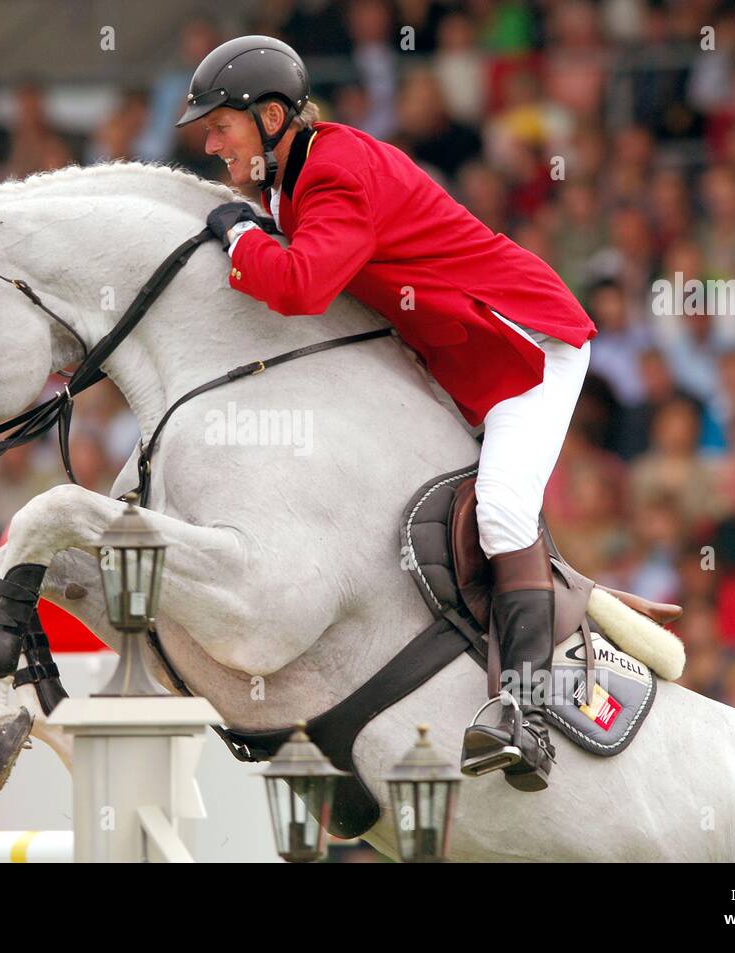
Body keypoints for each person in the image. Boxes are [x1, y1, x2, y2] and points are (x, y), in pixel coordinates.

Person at [177, 35, 596, 791]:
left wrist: (237, 234)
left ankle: (527, 719)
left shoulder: (335, 173)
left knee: (501, 513)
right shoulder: (290, 176)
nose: (210, 144)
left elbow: (302, 287)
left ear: (272, 117)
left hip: (525, 348)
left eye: (220, 127)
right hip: (458, 353)